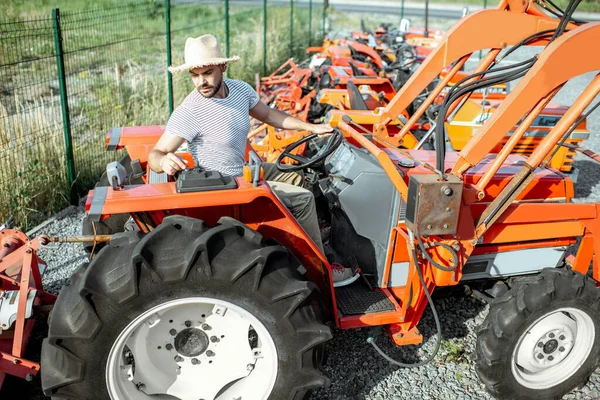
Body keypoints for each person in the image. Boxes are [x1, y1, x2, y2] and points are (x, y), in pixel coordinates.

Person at [148, 34, 358, 287]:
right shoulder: (190, 110)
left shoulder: (239, 90)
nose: (201, 82)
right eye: (194, 75)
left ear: (223, 67)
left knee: (298, 176)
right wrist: (164, 161)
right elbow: (155, 154)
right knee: (302, 200)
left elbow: (269, 114)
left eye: (208, 72)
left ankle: (305, 238)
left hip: (245, 170)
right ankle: (320, 270)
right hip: (226, 185)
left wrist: (310, 127)